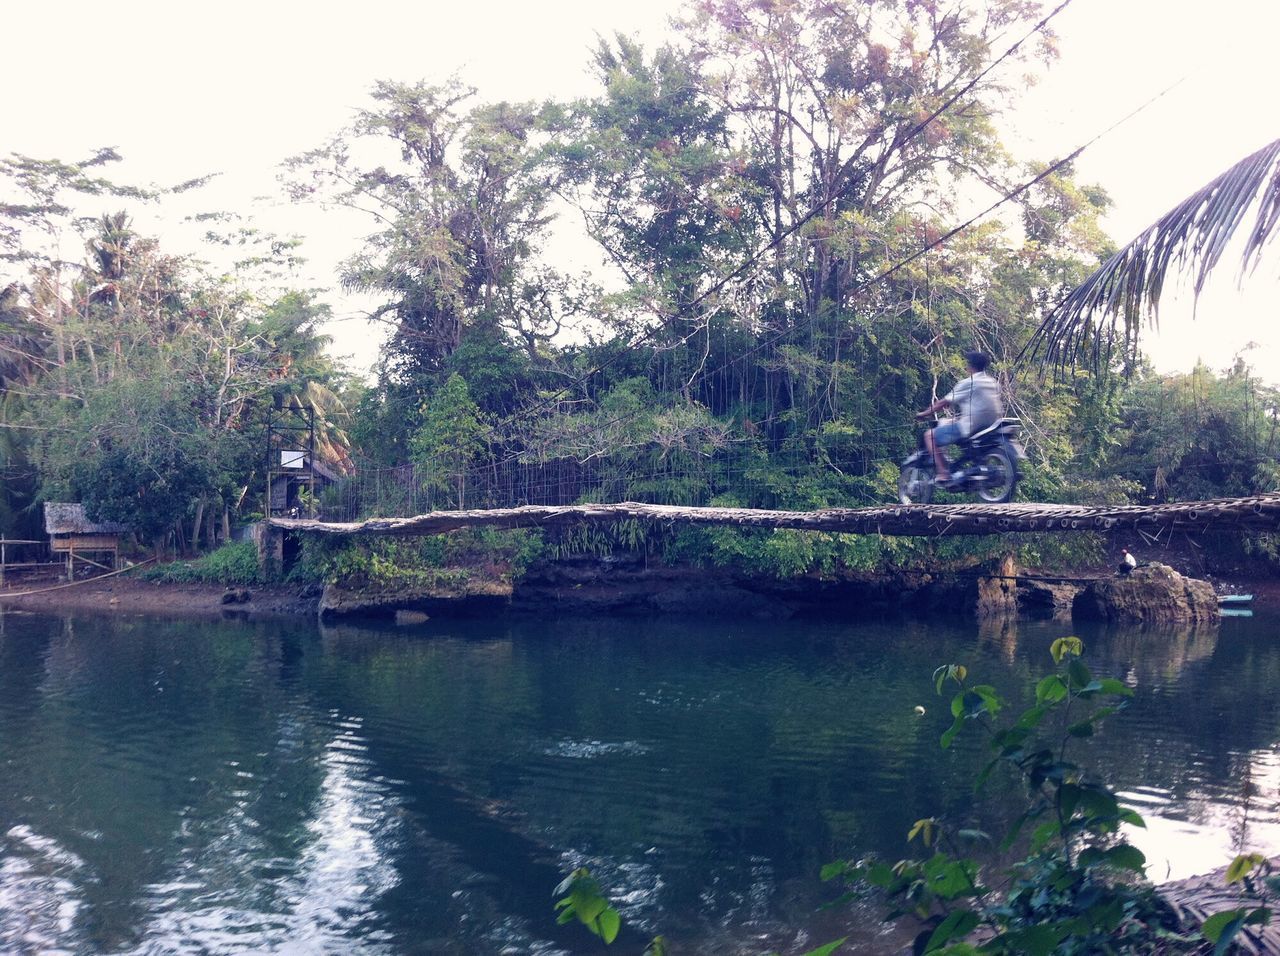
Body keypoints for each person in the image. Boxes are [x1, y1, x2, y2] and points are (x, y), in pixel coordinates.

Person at [915, 350, 1004, 485]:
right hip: (992, 425)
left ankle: (943, 473)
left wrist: (924, 414)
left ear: (970, 366)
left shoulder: (968, 382)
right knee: (950, 422)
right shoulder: (993, 382)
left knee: (929, 436)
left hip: (971, 426)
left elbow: (943, 402)